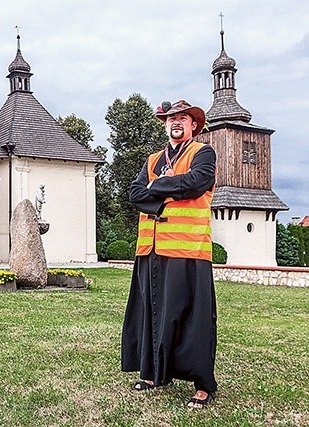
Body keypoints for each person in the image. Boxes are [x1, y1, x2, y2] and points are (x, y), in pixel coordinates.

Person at [121, 99, 218, 409]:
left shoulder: (202, 153)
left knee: (192, 317)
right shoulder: (151, 159)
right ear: (165, 124)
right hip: (150, 249)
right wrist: (163, 197)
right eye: (171, 118)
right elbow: (135, 194)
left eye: (183, 118)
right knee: (151, 314)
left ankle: (203, 386)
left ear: (193, 125)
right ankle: (152, 374)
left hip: (188, 249)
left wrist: (158, 185)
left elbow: (195, 183)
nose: (176, 122)